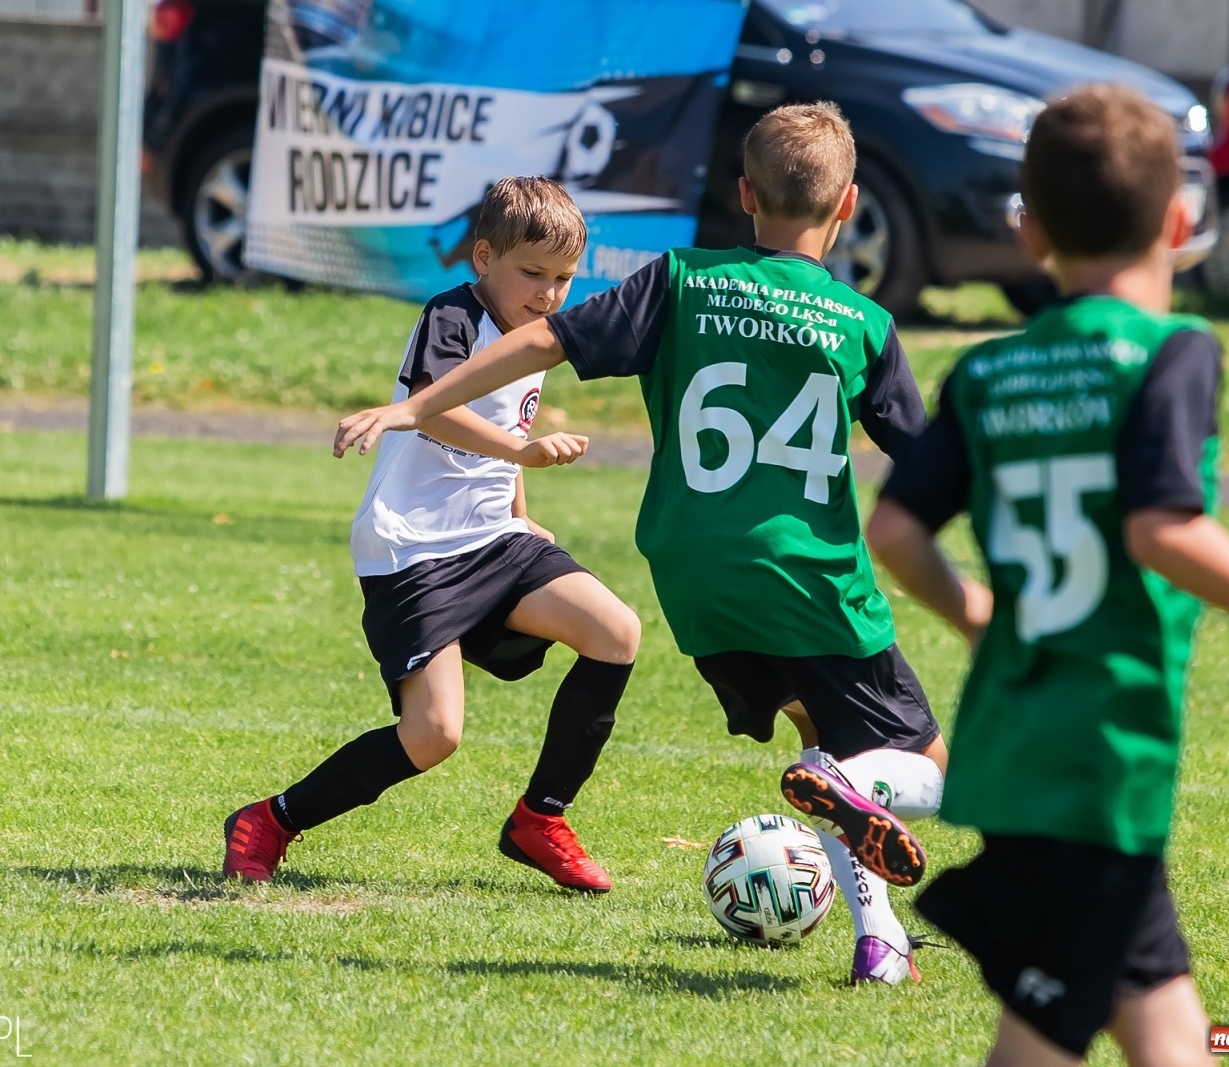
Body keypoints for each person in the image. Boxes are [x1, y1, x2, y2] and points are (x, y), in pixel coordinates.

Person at [334, 103, 947, 985]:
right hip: (810, 580)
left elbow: (545, 341)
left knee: (820, 731)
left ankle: (881, 943)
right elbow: (925, 461)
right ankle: (865, 802)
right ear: (849, 204)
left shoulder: (681, 280)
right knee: (927, 769)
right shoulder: (863, 322)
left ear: (744, 194)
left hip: (697, 581)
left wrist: (416, 404)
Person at [864, 83, 1229, 1065]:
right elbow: (1161, 529)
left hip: (1015, 742)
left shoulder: (988, 371)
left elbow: (892, 528)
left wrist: (976, 612)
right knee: (1042, 1037)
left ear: (1030, 231)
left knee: (1163, 1018)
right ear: (1180, 223)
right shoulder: (1169, 353)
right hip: (1098, 756)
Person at [224, 177, 642, 894]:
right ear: (484, 257)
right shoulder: (453, 315)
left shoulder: (534, 336)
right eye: (532, 273)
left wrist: (520, 507)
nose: (549, 293)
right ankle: (270, 819)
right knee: (434, 735)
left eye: (564, 278)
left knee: (616, 631)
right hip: (413, 548)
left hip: (494, 538)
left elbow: (509, 419)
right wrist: (524, 454)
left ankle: (541, 817)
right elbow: (433, 409)